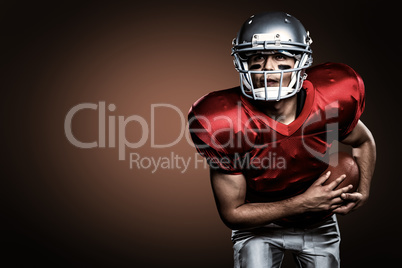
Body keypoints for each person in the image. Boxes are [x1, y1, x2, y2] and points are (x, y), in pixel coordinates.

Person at [188, 11, 376, 268]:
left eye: (279, 56)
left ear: (302, 60)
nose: (268, 68)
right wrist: (302, 203)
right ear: (243, 64)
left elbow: (362, 142)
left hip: (319, 222)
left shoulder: (329, 102)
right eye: (257, 58)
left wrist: (364, 189)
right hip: (259, 226)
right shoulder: (226, 121)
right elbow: (233, 213)